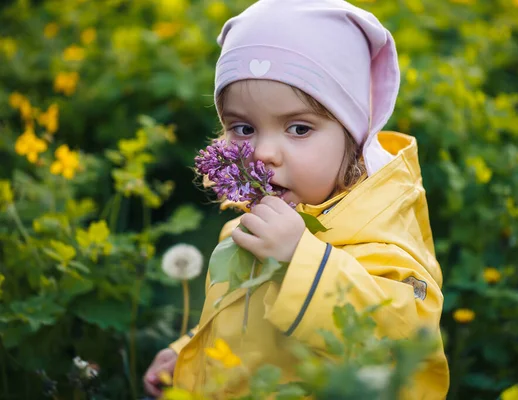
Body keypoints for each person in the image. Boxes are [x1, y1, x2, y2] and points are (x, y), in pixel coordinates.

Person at [144, 0, 449, 398]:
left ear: (354, 136)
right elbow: (245, 329)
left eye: (299, 128)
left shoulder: (381, 232)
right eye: (244, 128)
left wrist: (301, 259)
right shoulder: (246, 226)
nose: (263, 153)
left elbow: (403, 340)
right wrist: (188, 355)